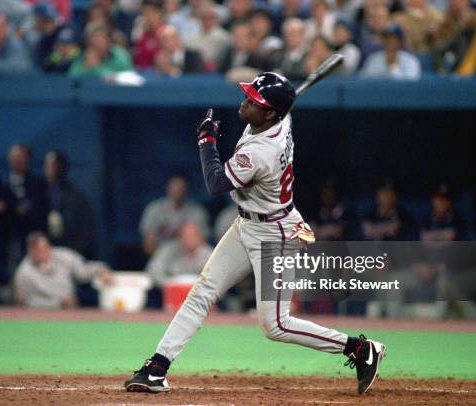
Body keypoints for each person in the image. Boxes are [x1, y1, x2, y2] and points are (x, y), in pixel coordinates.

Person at [124, 72, 386, 394]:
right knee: (202, 290)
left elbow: (217, 184)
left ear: (270, 114)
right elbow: (276, 106)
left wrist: (206, 141)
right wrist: (274, 102)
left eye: (254, 102)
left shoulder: (262, 151)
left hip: (276, 233)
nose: (246, 103)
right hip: (248, 222)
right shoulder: (278, 119)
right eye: (248, 96)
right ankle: (157, 366)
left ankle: (359, 349)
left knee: (275, 325)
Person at [14, 232, 113, 308]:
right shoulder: (23, 272)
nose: (43, 253)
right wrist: (57, 303)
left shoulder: (64, 256)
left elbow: (84, 271)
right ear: (30, 251)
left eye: (45, 248)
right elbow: (28, 301)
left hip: (71, 310)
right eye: (38, 250)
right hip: (42, 315)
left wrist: (101, 269)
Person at [139, 174, 209, 256]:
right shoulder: (155, 209)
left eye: (181, 187)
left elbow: (202, 243)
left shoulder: (197, 211)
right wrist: (162, 258)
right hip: (161, 255)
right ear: (168, 187)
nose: (178, 190)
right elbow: (148, 244)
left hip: (189, 258)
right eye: (175, 186)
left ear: (187, 189)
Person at [43, 150, 95, 257]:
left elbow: (86, 224)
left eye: (55, 165)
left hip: (69, 249)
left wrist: (76, 249)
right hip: (44, 249)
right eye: (48, 165)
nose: (51, 169)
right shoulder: (38, 191)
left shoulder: (75, 194)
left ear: (62, 167)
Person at [6, 143, 48, 267]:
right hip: (9, 241)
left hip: (32, 240)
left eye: (22, 158)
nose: (19, 161)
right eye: (15, 158)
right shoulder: (0, 184)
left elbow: (41, 211)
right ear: (9, 160)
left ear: (29, 160)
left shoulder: (38, 184)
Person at [145, 222, 213, 287]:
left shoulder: (210, 254)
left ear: (200, 237)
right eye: (185, 236)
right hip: (171, 292)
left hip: (200, 295)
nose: (189, 239)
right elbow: (153, 271)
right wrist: (168, 284)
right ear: (180, 238)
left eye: (192, 236)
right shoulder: (168, 250)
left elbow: (215, 280)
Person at [68, 24, 134, 78]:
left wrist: (97, 67)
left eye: (101, 38)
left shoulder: (120, 55)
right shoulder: (83, 56)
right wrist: (84, 68)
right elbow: (71, 76)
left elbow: (128, 78)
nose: (97, 42)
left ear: (109, 40)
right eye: (94, 38)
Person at [185, 2, 230, 72]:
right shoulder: (192, 38)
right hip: (197, 70)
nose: (207, 20)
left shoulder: (225, 37)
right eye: (204, 17)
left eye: (210, 17)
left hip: (219, 70)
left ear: (216, 18)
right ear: (200, 19)